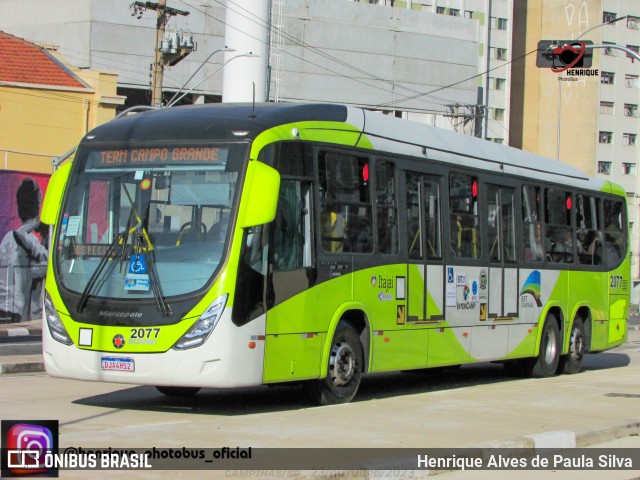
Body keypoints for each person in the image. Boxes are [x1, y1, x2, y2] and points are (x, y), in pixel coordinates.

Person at [0, 178, 48, 323]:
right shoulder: (30, 241)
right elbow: (48, 264)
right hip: (18, 312)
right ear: (38, 205)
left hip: (3, 306)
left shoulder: (7, 239)